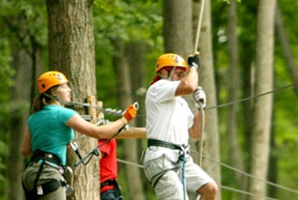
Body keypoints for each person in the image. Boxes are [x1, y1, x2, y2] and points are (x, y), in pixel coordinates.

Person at [21, 70, 137, 200]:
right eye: (64, 87)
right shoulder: (63, 113)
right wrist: (124, 119)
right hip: (48, 173)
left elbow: (25, 150)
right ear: (54, 92)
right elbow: (98, 132)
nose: (69, 90)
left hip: (30, 175)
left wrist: (52, 141)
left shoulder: (33, 117)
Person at [142, 53, 218, 200]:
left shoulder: (180, 102)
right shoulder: (158, 88)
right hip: (160, 158)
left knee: (210, 188)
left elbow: (195, 131)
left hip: (181, 159)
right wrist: (194, 67)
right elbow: (189, 86)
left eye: (183, 75)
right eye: (178, 74)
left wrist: (200, 107)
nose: (182, 78)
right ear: (164, 72)